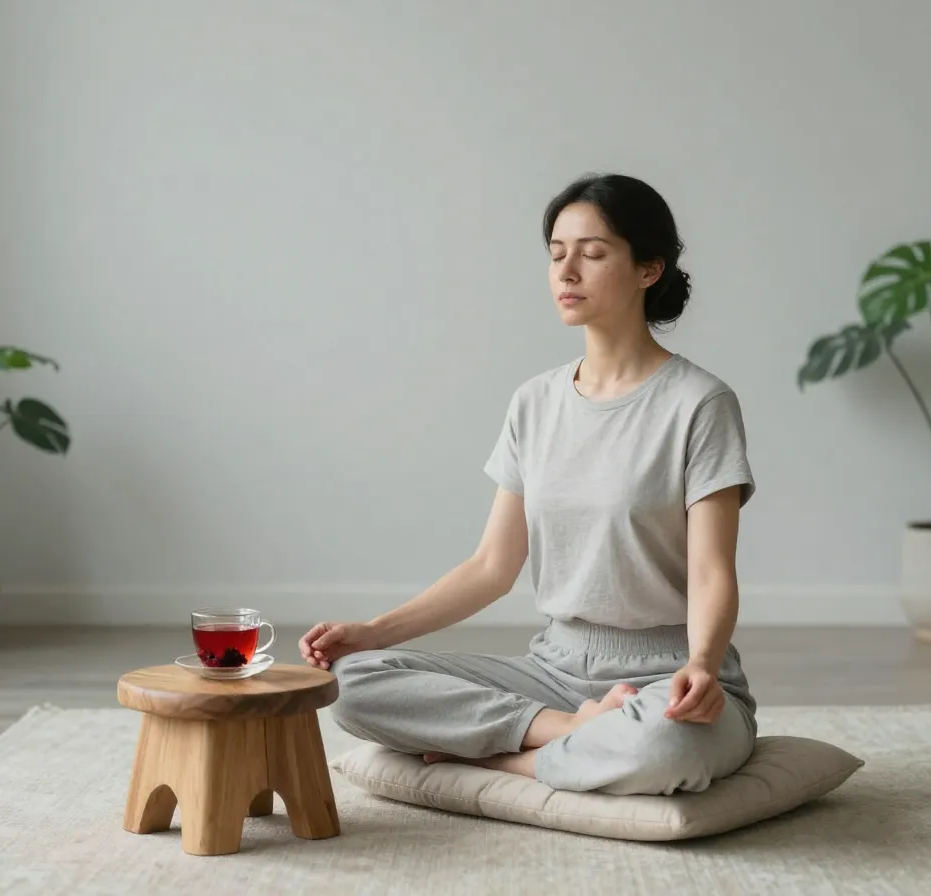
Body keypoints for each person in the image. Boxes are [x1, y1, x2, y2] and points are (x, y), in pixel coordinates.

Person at [299, 172, 758, 797]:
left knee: (661, 744)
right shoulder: (535, 402)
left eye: (592, 254)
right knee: (351, 685)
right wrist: (374, 633)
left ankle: (505, 758)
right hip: (555, 671)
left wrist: (702, 666)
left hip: (671, 677)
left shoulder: (700, 404)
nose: (566, 271)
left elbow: (711, 572)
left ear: (649, 269)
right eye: (556, 253)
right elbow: (492, 566)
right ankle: (568, 730)